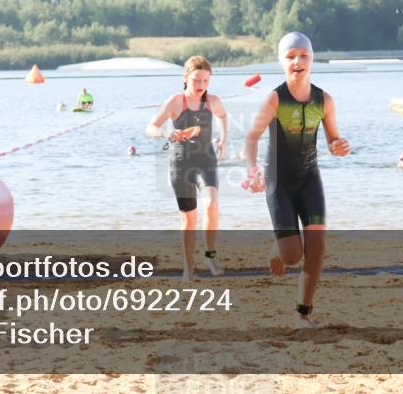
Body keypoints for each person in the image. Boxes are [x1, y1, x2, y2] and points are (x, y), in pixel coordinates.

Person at [243, 32, 351, 328]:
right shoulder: (275, 99)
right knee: (292, 256)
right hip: (279, 182)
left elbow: (334, 140)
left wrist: (340, 147)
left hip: (309, 179)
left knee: (317, 249)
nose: (298, 61)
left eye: (303, 55)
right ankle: (279, 246)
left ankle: (302, 313)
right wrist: (253, 172)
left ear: (312, 59)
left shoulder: (324, 100)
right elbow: (251, 138)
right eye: (290, 57)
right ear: (282, 62)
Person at [146, 56, 229, 282]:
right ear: (185, 78)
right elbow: (150, 128)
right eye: (196, 80)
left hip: (206, 160)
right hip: (181, 164)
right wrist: (167, 133)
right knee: (189, 219)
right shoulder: (175, 102)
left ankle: (210, 255)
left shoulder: (213, 101)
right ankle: (188, 267)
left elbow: (222, 115)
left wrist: (223, 139)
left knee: (211, 203)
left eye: (205, 80)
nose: (201, 85)